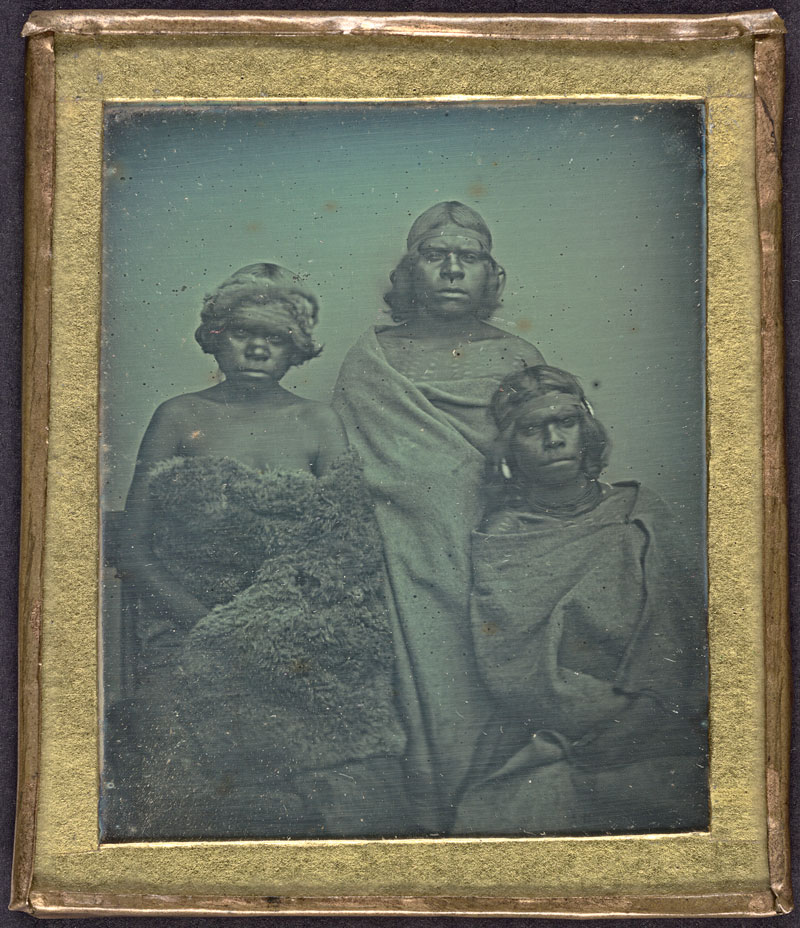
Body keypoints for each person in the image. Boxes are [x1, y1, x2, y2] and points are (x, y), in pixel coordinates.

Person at [106, 263, 405, 839]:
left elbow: (347, 545)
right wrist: (213, 625)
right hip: (189, 629)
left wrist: (287, 624)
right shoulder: (179, 415)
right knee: (177, 774)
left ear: (297, 350)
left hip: (299, 633)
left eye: (276, 338)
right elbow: (134, 551)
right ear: (216, 338)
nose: (259, 348)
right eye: (245, 333)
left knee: (361, 782)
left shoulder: (319, 421)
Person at [333, 202, 544, 833]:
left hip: (496, 560)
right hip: (399, 567)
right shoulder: (371, 360)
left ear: (490, 276)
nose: (452, 269)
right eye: (435, 255)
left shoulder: (517, 357)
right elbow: (347, 475)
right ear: (409, 271)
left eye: (469, 257)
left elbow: (549, 461)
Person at [454, 365, 709, 835]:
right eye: (533, 428)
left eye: (565, 423)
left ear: (585, 429)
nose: (554, 439)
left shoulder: (641, 515)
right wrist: (604, 728)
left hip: (663, 725)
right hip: (567, 734)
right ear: (510, 445)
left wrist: (645, 720)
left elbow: (689, 642)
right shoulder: (504, 538)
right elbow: (514, 667)